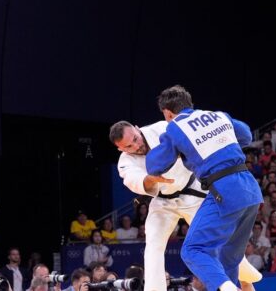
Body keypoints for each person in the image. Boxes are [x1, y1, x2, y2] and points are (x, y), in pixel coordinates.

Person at [110, 120, 262, 291]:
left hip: (192, 193)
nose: (137, 146)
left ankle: (246, 273)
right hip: (163, 202)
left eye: (136, 139)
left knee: (218, 239)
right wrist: (147, 180)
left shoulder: (162, 128)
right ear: (121, 149)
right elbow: (131, 178)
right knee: (153, 242)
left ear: (138, 129)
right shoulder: (125, 162)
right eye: (129, 146)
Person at [146, 86, 262, 291]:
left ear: (168, 113)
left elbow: (155, 165)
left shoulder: (174, 127)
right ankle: (228, 285)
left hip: (224, 190)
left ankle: (227, 289)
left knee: (192, 250)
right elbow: (246, 136)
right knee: (229, 257)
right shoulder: (217, 115)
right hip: (250, 189)